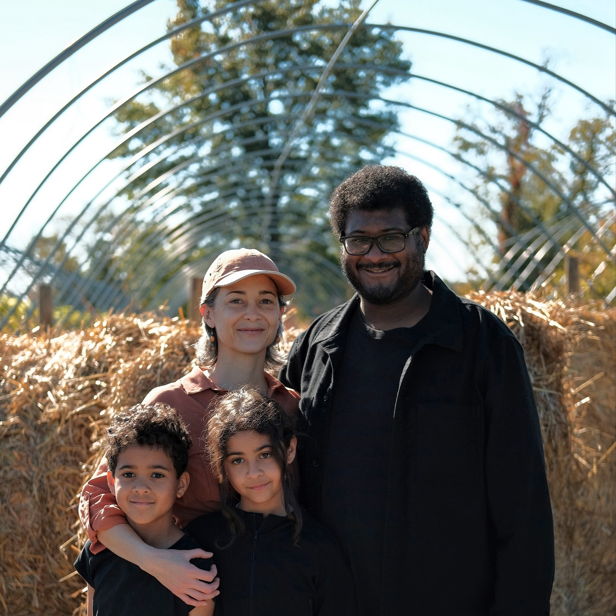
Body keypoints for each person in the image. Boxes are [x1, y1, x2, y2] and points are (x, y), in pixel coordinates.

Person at [280, 165, 555, 615]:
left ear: (422, 238)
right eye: (358, 240)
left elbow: (522, 507)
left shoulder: (482, 344)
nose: (374, 254)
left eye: (390, 237)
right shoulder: (318, 344)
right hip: (333, 601)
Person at [79, 248, 299, 607]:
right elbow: (98, 496)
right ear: (208, 314)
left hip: (269, 590)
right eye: (236, 301)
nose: (252, 314)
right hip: (184, 590)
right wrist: (155, 562)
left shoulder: (290, 405)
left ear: (279, 315)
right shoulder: (170, 402)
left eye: (265, 301)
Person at [186, 387, 355, 615]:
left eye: (264, 455)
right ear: (221, 466)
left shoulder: (320, 547)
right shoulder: (201, 539)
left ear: (289, 450)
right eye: (238, 460)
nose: (253, 472)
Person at [74, 402, 214, 616]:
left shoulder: (195, 567)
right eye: (129, 475)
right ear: (111, 482)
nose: (140, 488)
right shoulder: (98, 550)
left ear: (181, 484)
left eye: (157, 475)